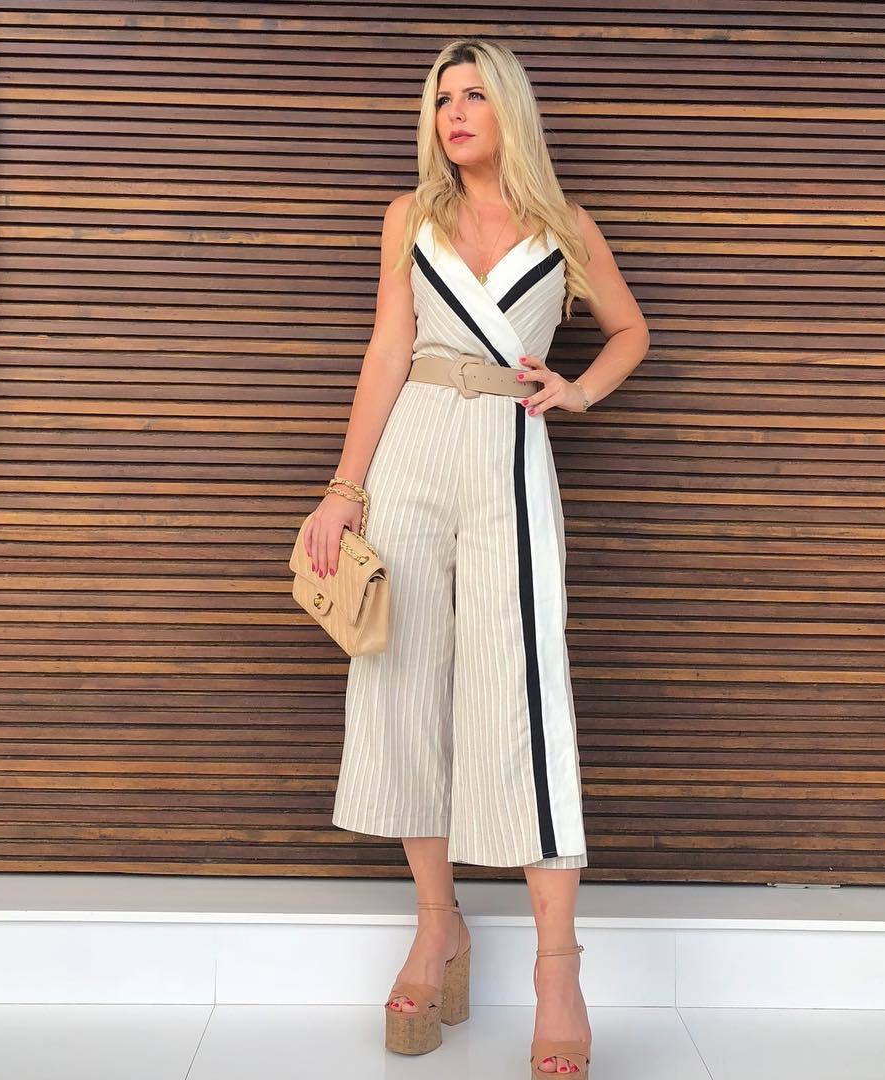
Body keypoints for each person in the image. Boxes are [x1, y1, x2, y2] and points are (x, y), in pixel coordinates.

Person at [302, 37, 649, 1077]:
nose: (453, 113)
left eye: (473, 95)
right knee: (402, 681)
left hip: (509, 451)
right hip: (410, 448)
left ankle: (557, 970)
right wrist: (344, 489)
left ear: (511, 111)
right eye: (441, 98)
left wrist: (577, 391)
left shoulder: (566, 225)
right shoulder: (410, 217)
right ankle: (437, 927)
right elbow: (386, 348)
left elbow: (629, 331)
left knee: (526, 693)